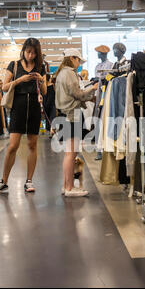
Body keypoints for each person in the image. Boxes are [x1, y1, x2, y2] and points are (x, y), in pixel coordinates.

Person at [0, 37, 47, 194]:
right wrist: (20, 80)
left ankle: (29, 180)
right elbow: (4, 87)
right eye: (28, 52)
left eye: (34, 53)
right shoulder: (14, 65)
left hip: (35, 108)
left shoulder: (40, 66)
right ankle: (3, 180)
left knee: (32, 145)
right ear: (23, 50)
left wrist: (41, 80)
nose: (30, 56)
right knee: (13, 146)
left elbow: (44, 92)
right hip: (18, 107)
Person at [55, 49, 98, 197]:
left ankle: (67, 185)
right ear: (72, 58)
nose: (79, 64)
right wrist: (93, 89)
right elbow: (78, 94)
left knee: (69, 153)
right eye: (78, 60)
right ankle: (69, 187)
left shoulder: (62, 73)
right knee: (71, 154)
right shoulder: (69, 73)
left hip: (66, 115)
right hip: (73, 116)